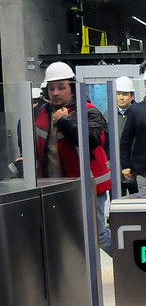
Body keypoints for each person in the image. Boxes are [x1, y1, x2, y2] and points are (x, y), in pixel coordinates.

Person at [34, 62, 113, 255]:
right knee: (66, 235)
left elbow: (90, 142)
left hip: (88, 185)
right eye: (51, 88)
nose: (56, 93)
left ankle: (127, 264)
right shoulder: (41, 114)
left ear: (72, 88)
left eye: (61, 87)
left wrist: (64, 121)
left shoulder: (89, 111)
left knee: (98, 234)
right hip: (54, 186)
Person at [113, 76, 139, 195]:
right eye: (118, 94)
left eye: (125, 94)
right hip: (116, 170)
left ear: (132, 96)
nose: (121, 97)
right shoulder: (108, 114)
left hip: (136, 169)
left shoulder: (140, 113)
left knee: (139, 203)